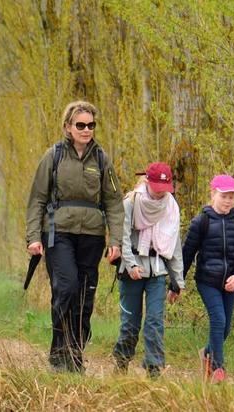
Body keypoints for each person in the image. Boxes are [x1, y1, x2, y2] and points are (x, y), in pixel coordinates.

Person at [25, 100, 125, 373]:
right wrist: (33, 237)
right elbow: (36, 199)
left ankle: (75, 354)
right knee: (66, 288)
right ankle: (59, 351)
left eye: (91, 125)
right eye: (80, 125)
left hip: (92, 237)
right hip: (58, 234)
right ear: (68, 127)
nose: (86, 130)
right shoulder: (53, 156)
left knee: (84, 296)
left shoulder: (102, 159)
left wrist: (116, 241)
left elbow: (115, 203)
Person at [112, 162, 185, 378]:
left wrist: (177, 281)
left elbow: (174, 245)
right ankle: (122, 362)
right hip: (132, 269)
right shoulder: (131, 202)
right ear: (147, 181)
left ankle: (154, 369)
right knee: (130, 324)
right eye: (157, 187)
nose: (162, 192)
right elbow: (123, 236)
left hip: (157, 271)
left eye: (165, 188)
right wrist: (131, 264)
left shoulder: (171, 206)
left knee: (154, 321)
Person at [182, 174, 234, 383]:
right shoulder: (201, 222)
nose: (228, 201)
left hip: (229, 283)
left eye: (232, 197)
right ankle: (218, 369)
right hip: (207, 280)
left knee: (225, 329)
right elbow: (187, 254)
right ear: (213, 194)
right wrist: (176, 284)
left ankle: (206, 353)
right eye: (224, 196)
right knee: (218, 320)